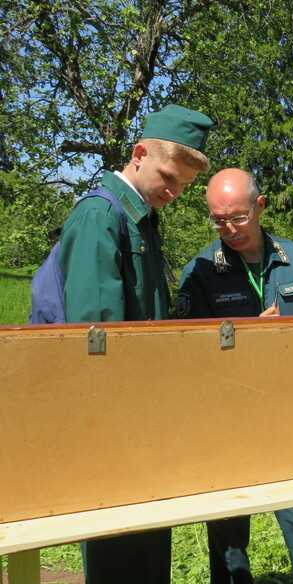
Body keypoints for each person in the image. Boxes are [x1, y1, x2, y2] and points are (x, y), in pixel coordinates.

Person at [58, 104, 214, 583]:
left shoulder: (141, 219)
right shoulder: (100, 216)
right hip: (115, 421)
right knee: (120, 554)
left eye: (184, 187)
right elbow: (97, 340)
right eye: (169, 176)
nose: (174, 191)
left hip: (146, 414)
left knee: (149, 548)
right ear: (139, 154)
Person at [177, 168, 293, 584]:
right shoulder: (198, 270)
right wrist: (246, 335)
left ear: (260, 206)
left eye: (238, 217)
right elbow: (183, 355)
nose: (229, 229)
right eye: (218, 220)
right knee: (228, 531)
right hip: (228, 418)